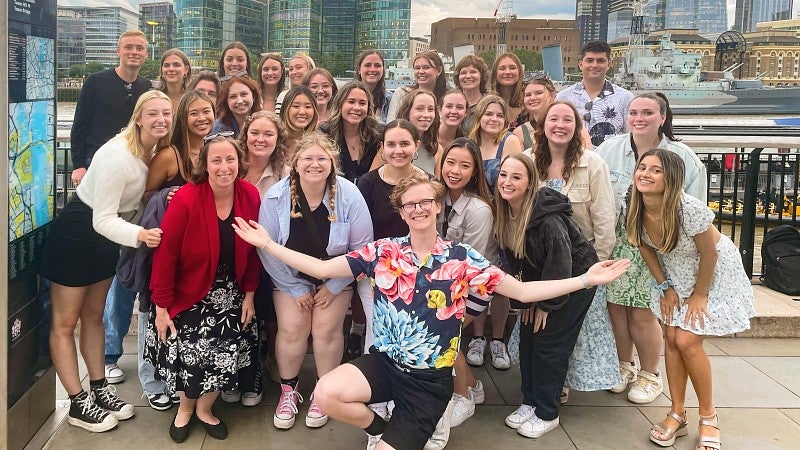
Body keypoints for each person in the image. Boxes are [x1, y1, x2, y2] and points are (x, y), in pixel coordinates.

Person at [231, 173, 630, 450]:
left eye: (426, 202)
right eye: (410, 204)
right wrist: (266, 243)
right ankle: (382, 428)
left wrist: (585, 280)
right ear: (401, 211)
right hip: (384, 365)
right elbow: (319, 269)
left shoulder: (463, 259)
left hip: (428, 381)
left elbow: (522, 289)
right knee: (327, 392)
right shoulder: (383, 251)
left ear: (437, 207)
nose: (419, 209)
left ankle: (403, 432)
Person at [40, 90, 172, 432]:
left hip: (105, 240)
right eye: (153, 113)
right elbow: (102, 218)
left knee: (94, 316)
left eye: (167, 114)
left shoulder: (151, 152)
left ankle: (99, 388)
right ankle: (77, 401)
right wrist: (141, 236)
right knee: (65, 323)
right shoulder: (118, 156)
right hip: (78, 234)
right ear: (138, 117)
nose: (161, 120)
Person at [627, 148, 753, 450]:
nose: (645, 173)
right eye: (642, 167)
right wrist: (665, 286)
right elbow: (644, 246)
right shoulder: (634, 205)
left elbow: (710, 252)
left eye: (655, 170)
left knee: (687, 340)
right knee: (671, 338)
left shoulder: (688, 209)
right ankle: (677, 413)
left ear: (671, 178)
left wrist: (700, 295)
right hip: (675, 272)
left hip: (712, 271)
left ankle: (708, 417)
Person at [595, 92, 708, 405]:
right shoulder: (610, 149)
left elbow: (694, 210)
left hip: (659, 243)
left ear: (663, 117)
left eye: (647, 113)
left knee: (644, 310)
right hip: (619, 238)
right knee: (616, 306)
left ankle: (650, 374)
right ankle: (623, 365)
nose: (639, 119)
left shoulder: (683, 157)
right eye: (633, 112)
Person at [147, 136, 262, 443]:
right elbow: (166, 254)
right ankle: (185, 409)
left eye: (230, 160)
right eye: (216, 161)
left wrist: (249, 293)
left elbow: (253, 249)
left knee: (226, 348)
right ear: (205, 165)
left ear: (239, 162)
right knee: (191, 348)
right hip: (187, 290)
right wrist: (161, 306)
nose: (224, 167)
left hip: (230, 288)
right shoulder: (187, 198)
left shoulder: (249, 194)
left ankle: (205, 409)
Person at [258, 133, 373, 430]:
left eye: (322, 158)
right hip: (289, 278)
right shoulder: (275, 197)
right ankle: (288, 390)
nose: (314, 164)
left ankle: (324, 392)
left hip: (336, 277)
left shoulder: (349, 194)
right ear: (295, 163)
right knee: (293, 327)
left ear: (332, 164)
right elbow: (266, 247)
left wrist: (334, 287)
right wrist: (294, 289)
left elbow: (362, 249)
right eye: (307, 158)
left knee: (325, 329)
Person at [494, 154, 599, 439]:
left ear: (529, 184)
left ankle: (547, 412)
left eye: (517, 177)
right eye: (504, 175)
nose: (507, 182)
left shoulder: (548, 220)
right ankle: (530, 401)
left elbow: (560, 263)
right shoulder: (504, 211)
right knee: (528, 339)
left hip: (572, 281)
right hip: (539, 282)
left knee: (550, 344)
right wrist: (526, 301)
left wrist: (546, 306)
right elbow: (516, 261)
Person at [69, 30, 152, 387]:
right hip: (99, 177)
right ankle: (109, 353)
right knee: (111, 270)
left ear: (145, 54)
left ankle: (111, 351)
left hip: (133, 185)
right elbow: (79, 125)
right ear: (118, 51)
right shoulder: (97, 82)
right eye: (129, 47)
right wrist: (78, 164)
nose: (134, 53)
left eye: (140, 48)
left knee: (122, 268)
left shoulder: (147, 85)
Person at [523, 101, 617, 402]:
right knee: (545, 328)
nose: (560, 125)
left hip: (580, 261)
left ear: (576, 127)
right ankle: (550, 383)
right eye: (553, 119)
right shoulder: (526, 161)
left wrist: (599, 266)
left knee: (572, 331)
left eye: (567, 120)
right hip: (540, 261)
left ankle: (562, 382)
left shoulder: (593, 163)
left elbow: (604, 217)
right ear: (542, 125)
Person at [436, 137, 497, 429]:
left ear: (474, 172)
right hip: (442, 283)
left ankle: (463, 397)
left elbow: (471, 265)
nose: (455, 170)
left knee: (445, 329)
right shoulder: (437, 198)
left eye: (464, 165)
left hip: (473, 286)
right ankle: (472, 385)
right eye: (450, 162)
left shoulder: (479, 210)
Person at [556, 41, 634, 147]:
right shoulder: (563, 97)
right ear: (580, 64)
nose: (595, 65)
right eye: (590, 60)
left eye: (600, 61)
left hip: (609, 160)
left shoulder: (625, 98)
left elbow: (630, 136)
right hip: (572, 159)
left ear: (609, 64)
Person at [146, 90, 215, 199]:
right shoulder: (168, 156)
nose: (202, 118)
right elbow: (145, 194)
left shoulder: (215, 149)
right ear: (183, 118)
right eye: (194, 113)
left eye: (206, 111)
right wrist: (165, 196)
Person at [319, 80, 383, 183]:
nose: (357, 107)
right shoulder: (325, 134)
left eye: (362, 103)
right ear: (340, 104)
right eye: (351, 101)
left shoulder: (378, 135)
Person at [513, 77, 593, 151]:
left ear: (552, 96)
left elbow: (588, 156)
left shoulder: (575, 127)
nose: (533, 98)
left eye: (539, 93)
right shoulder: (519, 132)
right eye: (528, 95)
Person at [468, 94, 523, 196]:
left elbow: (515, 181)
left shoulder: (510, 141)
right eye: (488, 114)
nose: (494, 119)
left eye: (500, 116)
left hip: (501, 206)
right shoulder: (470, 144)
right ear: (479, 117)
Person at [387, 50, 447, 121]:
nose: (421, 72)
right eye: (417, 68)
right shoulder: (402, 93)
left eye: (426, 67)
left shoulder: (447, 99)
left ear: (439, 71)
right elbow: (390, 124)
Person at [396, 88, 442, 177]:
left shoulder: (436, 149)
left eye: (431, 109)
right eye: (420, 109)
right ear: (407, 112)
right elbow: (372, 181)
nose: (426, 115)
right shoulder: (391, 144)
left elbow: (438, 188)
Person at [280, 86, 320, 160]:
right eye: (296, 106)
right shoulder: (274, 140)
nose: (302, 112)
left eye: (308, 107)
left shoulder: (320, 144)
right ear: (286, 109)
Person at [490, 53, 525, 131]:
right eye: (502, 68)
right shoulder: (486, 103)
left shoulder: (529, 102)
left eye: (512, 68)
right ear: (495, 73)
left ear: (519, 72)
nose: (507, 72)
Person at [355, 49, 392, 122]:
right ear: (359, 69)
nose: (372, 69)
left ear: (383, 70)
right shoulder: (346, 96)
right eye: (367, 65)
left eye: (377, 65)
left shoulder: (390, 100)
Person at [453, 54, 489, 128]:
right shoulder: (451, 102)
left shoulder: (489, 104)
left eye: (473, 72)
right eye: (463, 73)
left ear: (481, 76)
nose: (468, 76)